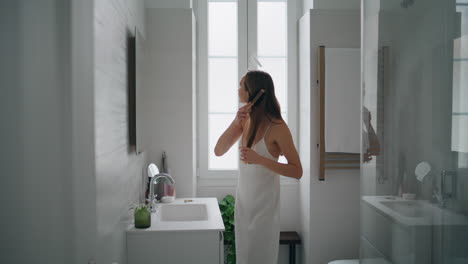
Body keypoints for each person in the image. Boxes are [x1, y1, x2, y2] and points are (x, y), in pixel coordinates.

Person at [214, 70, 302, 264]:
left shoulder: (278, 127)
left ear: (253, 91)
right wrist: (236, 121)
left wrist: (260, 159)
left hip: (265, 210)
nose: (238, 89)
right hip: (244, 206)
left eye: (241, 85)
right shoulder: (246, 121)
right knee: (244, 259)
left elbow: (297, 171)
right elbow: (218, 150)